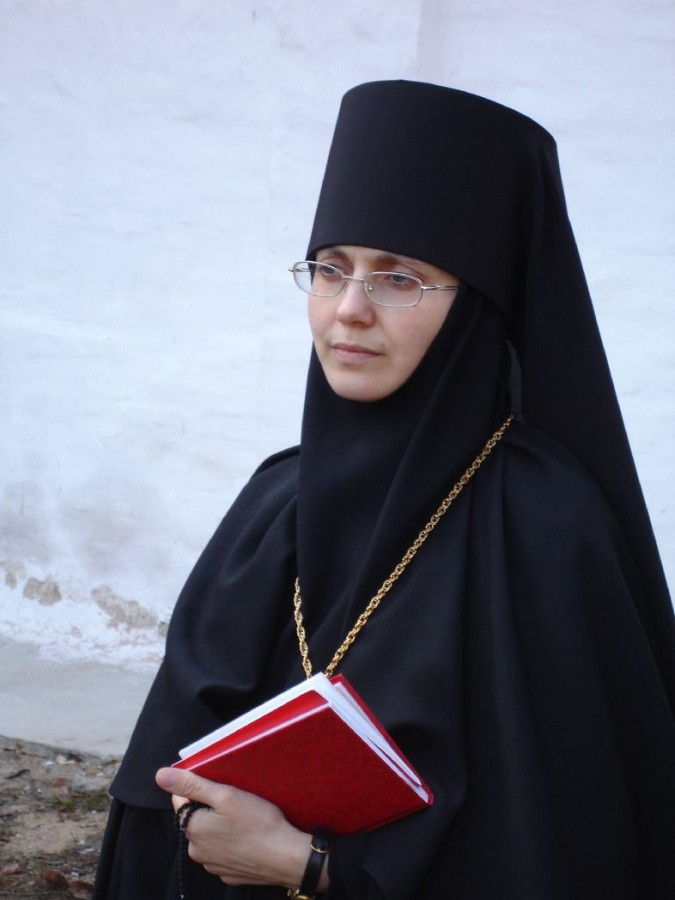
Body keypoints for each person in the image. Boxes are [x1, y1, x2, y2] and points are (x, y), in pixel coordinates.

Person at [93, 80, 675, 899]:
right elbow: (155, 781)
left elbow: (568, 844)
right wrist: (190, 817)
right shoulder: (274, 500)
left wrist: (312, 869)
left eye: (399, 278)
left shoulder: (546, 523)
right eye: (330, 269)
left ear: (477, 307)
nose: (349, 310)